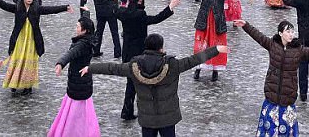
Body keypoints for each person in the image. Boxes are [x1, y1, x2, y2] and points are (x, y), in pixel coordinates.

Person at [84, 33, 226, 137]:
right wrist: (216, 49)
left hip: (147, 118)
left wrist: (90, 68)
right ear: (160, 48)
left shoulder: (134, 67)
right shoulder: (172, 65)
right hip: (168, 117)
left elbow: (112, 68)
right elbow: (193, 60)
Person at [238, 19, 309, 137]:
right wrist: (246, 25)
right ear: (280, 33)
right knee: (269, 130)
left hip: (288, 97)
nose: (291, 34)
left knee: (287, 131)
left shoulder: (298, 50)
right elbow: (258, 36)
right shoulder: (272, 45)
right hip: (272, 97)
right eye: (288, 31)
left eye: (292, 32)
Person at [0, 0, 72, 96]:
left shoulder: (37, 8)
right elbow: (5, 6)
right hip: (19, 38)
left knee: (29, 61)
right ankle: (14, 83)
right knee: (17, 59)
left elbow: (51, 9)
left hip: (32, 40)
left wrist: (65, 7)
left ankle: (27, 85)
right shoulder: (17, 7)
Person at [175, 0, 252, 81]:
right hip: (204, 21)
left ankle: (215, 70)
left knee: (217, 46)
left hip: (217, 22)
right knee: (202, 46)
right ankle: (199, 68)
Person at [117, 0, 179, 120]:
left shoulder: (122, 12)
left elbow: (113, 9)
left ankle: (127, 110)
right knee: (142, 83)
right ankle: (144, 110)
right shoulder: (140, 14)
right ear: (139, 0)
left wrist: (113, 0)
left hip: (127, 52)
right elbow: (156, 19)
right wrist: (170, 7)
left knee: (131, 82)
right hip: (139, 53)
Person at [50, 10, 100, 137]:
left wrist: (60, 63)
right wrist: (86, 14)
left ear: (84, 31)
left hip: (78, 82)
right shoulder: (88, 38)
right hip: (82, 82)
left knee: (76, 113)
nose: (75, 28)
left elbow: (70, 54)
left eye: (78, 26)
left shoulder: (82, 45)